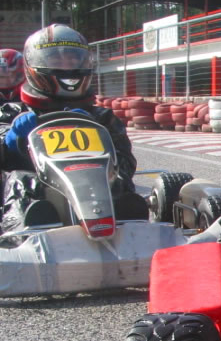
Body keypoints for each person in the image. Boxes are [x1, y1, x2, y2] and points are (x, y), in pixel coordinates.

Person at [1, 25, 141, 232]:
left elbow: (126, 165)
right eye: (57, 61)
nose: (66, 67)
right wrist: (10, 141)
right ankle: (23, 236)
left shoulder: (102, 117)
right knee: (23, 181)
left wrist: (101, 142)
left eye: (73, 60)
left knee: (119, 183)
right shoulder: (11, 113)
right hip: (36, 196)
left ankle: (132, 230)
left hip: (93, 190)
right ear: (35, 65)